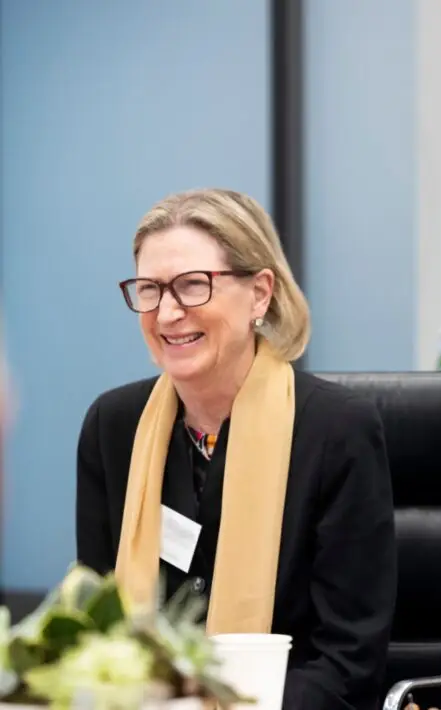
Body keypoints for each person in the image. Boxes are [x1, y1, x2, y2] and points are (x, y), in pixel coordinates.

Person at [75, 188, 397, 710]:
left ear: (260, 294)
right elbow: (95, 631)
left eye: (192, 285)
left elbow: (348, 663)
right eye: (150, 289)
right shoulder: (113, 427)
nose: (168, 313)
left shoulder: (336, 431)